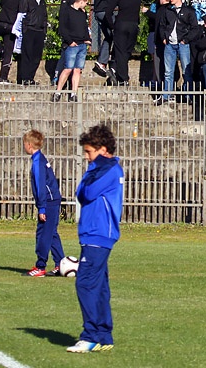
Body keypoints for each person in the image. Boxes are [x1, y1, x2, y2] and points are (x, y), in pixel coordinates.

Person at [67, 124, 124, 354]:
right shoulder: (99, 168)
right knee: (99, 286)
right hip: (93, 233)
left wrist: (92, 171)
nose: (87, 157)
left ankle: (90, 335)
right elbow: (80, 191)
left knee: (86, 283)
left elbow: (86, 193)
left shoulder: (108, 169)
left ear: (102, 149)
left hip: (99, 234)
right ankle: (103, 335)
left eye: (90, 152)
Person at [23, 129, 64, 278]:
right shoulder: (40, 158)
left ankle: (40, 266)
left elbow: (41, 186)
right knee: (51, 233)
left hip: (48, 202)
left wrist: (42, 207)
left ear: (29, 145)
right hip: (52, 200)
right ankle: (60, 264)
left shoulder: (37, 162)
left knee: (43, 233)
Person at [156, 0, 199, 105]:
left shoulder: (188, 11)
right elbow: (162, 25)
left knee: (186, 70)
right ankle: (166, 95)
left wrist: (186, 39)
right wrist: (164, 37)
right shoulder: (168, 10)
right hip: (170, 44)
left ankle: (188, 95)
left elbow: (195, 28)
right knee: (168, 71)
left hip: (182, 43)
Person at [53, 0, 91, 103]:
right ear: (81, 1)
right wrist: (70, 41)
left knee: (77, 70)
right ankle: (58, 91)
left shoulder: (82, 13)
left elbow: (84, 27)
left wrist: (87, 39)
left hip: (81, 44)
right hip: (72, 44)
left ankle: (73, 93)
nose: (86, 5)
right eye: (85, 3)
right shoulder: (67, 11)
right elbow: (63, 28)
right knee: (68, 68)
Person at [107, 0, 145, 86]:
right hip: (133, 24)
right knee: (128, 50)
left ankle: (123, 78)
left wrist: (112, 25)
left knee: (120, 51)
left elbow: (108, 11)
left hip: (120, 24)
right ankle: (121, 73)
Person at [0, 0, 28, 84]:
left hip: (1, 23)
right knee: (8, 52)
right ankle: (3, 77)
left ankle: (0, 48)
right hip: (12, 26)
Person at [53, 0, 88, 85]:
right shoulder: (67, 0)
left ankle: (71, 87)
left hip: (79, 40)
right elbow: (63, 21)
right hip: (70, 38)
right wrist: (68, 39)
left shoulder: (81, 10)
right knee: (66, 62)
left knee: (76, 67)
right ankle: (57, 78)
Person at [18, 0, 48, 85]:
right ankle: (25, 78)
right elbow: (21, 16)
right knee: (27, 54)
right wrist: (23, 30)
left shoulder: (42, 2)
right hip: (29, 30)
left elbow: (45, 16)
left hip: (39, 31)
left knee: (36, 56)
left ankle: (31, 77)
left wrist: (44, 30)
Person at [91, 0, 118, 78]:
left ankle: (102, 62)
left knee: (109, 36)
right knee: (117, 34)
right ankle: (115, 64)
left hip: (98, 12)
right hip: (106, 12)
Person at [143, 0, 165, 87]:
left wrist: (147, 12)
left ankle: (157, 79)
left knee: (158, 56)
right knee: (153, 55)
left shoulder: (161, 5)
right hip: (152, 31)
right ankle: (154, 78)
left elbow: (159, 18)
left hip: (157, 32)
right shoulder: (154, 3)